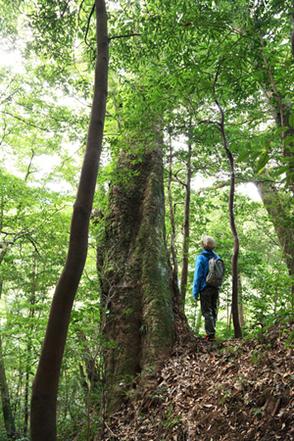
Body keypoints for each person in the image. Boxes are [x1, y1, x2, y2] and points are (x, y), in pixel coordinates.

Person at [192, 235, 221, 341]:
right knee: (213, 310)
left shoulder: (201, 257)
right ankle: (212, 332)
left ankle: (210, 335)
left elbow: (198, 276)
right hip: (215, 287)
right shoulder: (217, 257)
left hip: (205, 288)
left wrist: (195, 292)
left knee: (207, 311)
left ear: (203, 245)